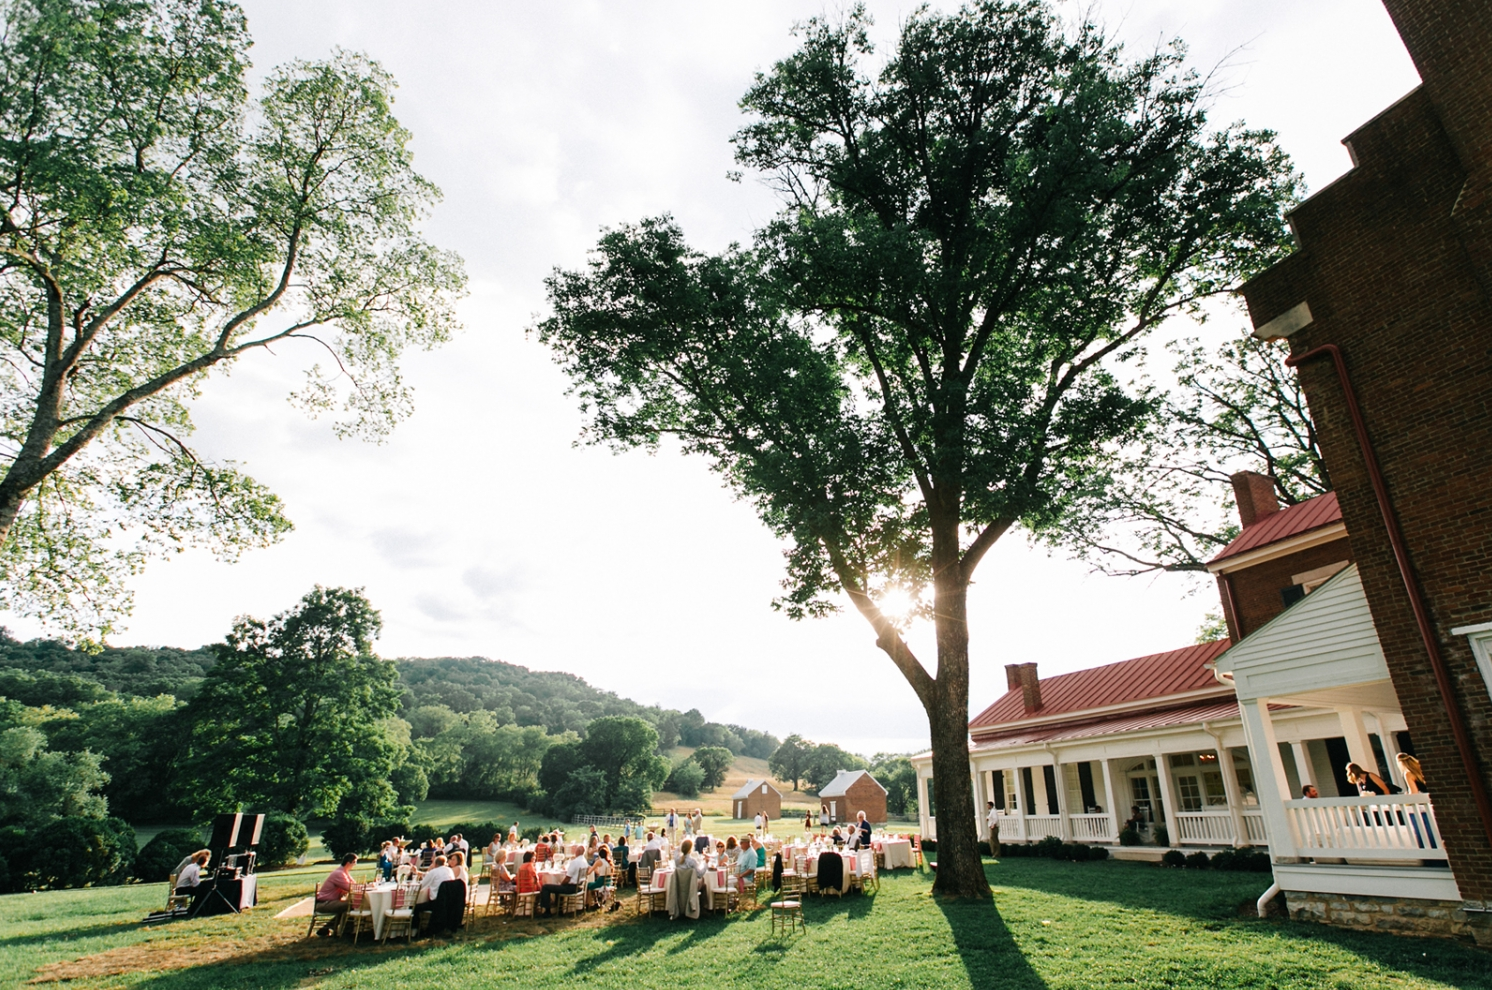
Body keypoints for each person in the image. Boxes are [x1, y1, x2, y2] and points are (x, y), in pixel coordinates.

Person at [537, 847, 590, 916]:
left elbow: (567, 878)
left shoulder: (575, 862)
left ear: (578, 852)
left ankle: (547, 911)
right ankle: (559, 909)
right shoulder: (584, 861)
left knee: (545, 887)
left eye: (576, 851)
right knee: (559, 886)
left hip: (572, 888)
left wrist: (561, 885)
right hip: (579, 886)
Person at [314, 854, 359, 934]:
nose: (355, 865)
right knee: (353, 904)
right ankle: (347, 931)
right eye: (354, 862)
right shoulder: (339, 873)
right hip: (325, 903)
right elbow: (351, 888)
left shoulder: (344, 872)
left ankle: (329, 928)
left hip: (331, 901)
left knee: (351, 905)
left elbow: (354, 885)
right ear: (349, 863)